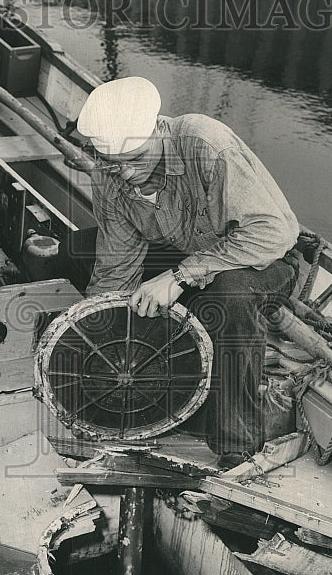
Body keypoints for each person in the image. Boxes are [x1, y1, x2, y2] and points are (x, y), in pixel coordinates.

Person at [72, 76, 300, 468]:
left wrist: (179, 277)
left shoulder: (205, 144)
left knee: (228, 295)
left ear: (159, 128)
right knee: (72, 253)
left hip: (261, 259)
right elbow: (114, 268)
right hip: (187, 253)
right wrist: (101, 339)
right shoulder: (108, 177)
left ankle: (235, 444)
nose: (125, 174)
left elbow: (274, 233)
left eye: (136, 159)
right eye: (113, 163)